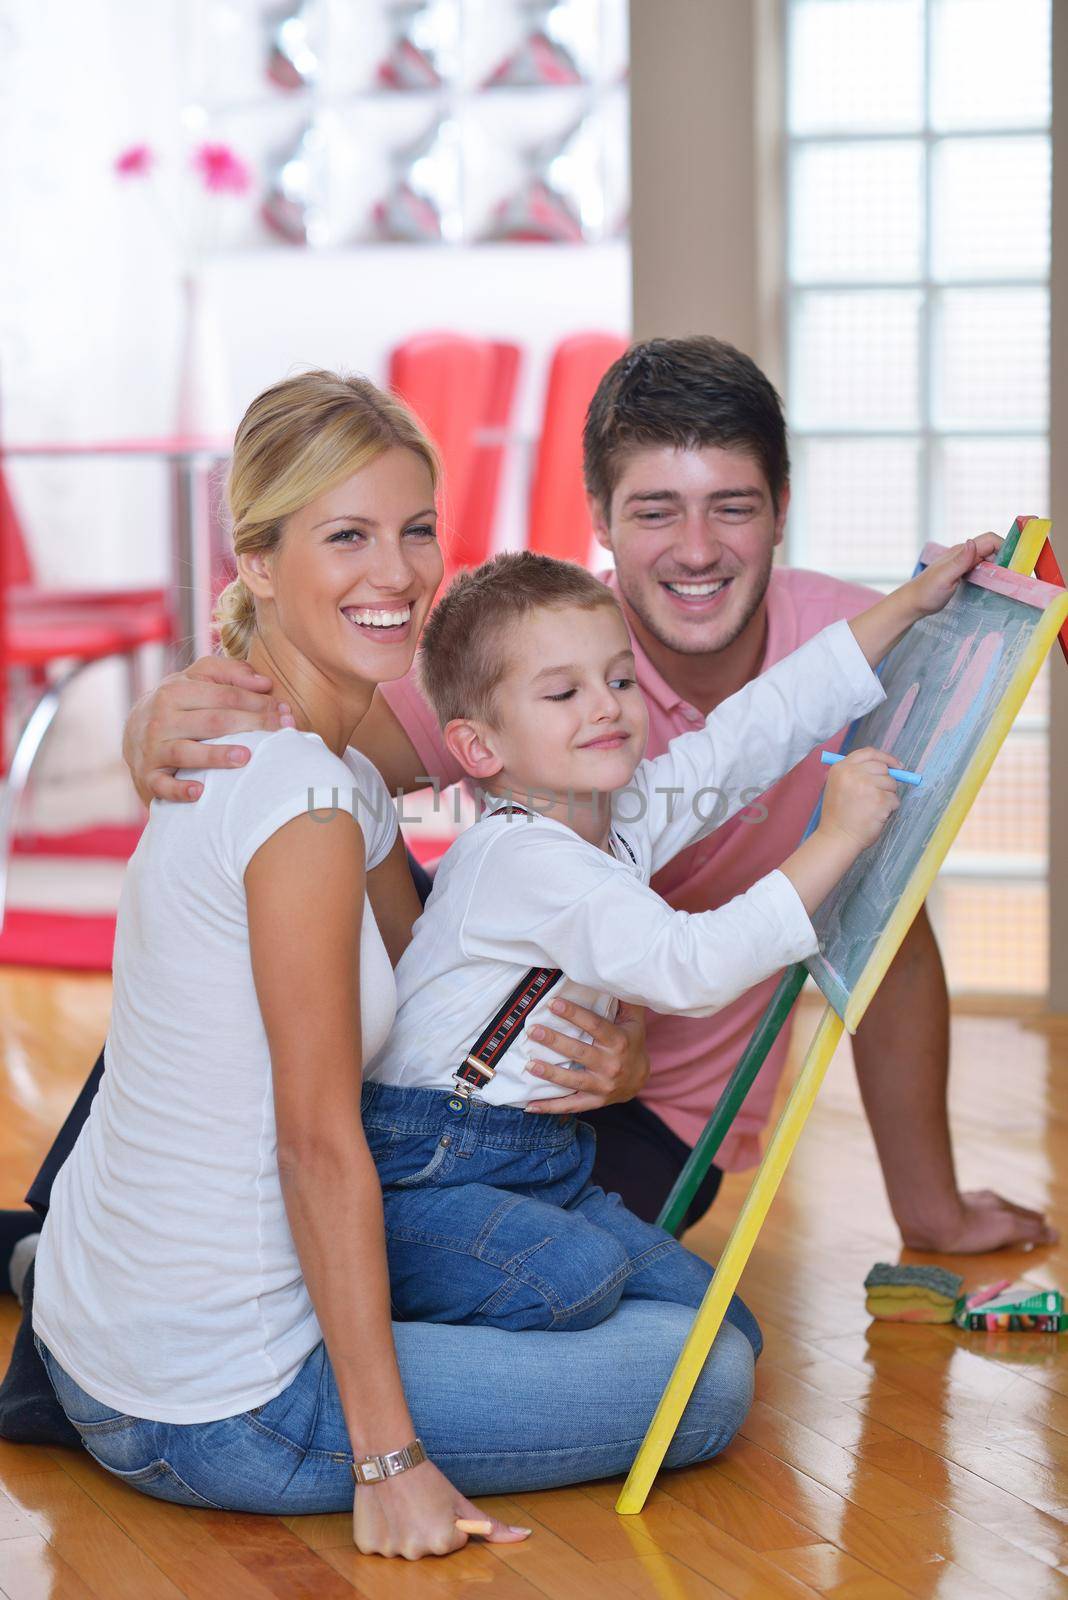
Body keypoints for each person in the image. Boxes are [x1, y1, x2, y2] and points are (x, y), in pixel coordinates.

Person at [22, 371, 761, 1558]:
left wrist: (614, 1041)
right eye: (348, 535)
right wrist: (391, 1460)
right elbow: (318, 1139)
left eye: (418, 529)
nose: (400, 572)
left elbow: (428, 1007)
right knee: (708, 1372)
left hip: (107, 1326)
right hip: (227, 1403)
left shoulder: (300, 758)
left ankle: (40, 1266)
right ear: (255, 560)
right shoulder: (306, 803)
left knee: (673, 1304)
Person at [118, 336, 1056, 1254]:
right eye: (656, 511)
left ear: (780, 509)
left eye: (730, 507)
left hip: (639, 1110)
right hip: (455, 1096)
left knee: (650, 1316)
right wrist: (154, 728)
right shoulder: (529, 645)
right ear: (601, 521)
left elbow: (792, 788)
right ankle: (106, 1244)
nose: (695, 550)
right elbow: (286, 751)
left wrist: (929, 1209)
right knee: (291, 864)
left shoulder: (818, 667)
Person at [360, 537, 997, 1333]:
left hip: (537, 1159)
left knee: (725, 1329)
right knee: (577, 1277)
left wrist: (909, 605)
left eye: (619, 678)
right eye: (563, 694)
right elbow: (688, 968)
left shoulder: (612, 818)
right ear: (479, 748)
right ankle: (376, 1316)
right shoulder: (522, 856)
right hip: (432, 1163)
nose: (607, 705)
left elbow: (752, 733)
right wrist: (833, 838)